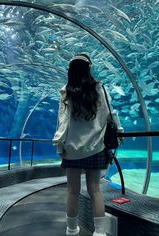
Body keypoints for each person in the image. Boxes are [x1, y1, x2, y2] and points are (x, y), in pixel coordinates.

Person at [52, 54, 124, 236]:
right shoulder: (101, 89)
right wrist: (120, 130)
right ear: (89, 68)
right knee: (95, 190)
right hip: (97, 147)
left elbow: (62, 122)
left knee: (72, 191)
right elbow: (111, 115)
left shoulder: (66, 91)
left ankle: (71, 230)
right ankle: (99, 233)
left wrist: (60, 147)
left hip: (72, 149)